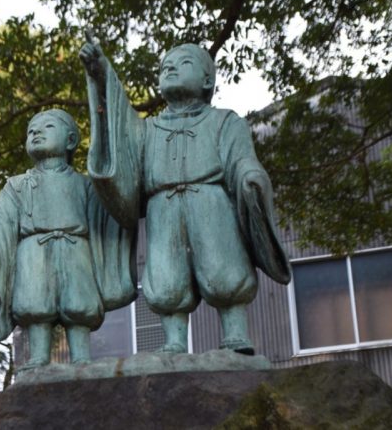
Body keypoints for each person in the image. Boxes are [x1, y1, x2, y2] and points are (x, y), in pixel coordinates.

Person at [80, 36, 290, 354]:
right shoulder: (146, 129)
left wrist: (250, 177)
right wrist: (101, 74)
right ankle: (174, 339)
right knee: (166, 275)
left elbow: (242, 160)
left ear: (208, 80)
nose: (172, 70)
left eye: (184, 64)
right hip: (162, 206)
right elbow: (118, 130)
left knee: (224, 267)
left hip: (212, 201)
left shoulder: (225, 121)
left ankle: (235, 333)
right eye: (166, 67)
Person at [0, 109, 136, 368]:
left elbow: (108, 215)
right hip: (33, 250)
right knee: (35, 305)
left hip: (76, 248)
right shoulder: (16, 185)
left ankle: (82, 358)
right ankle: (39, 357)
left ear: (71, 140)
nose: (36, 133)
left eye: (48, 127)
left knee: (78, 304)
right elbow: (2, 224)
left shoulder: (86, 184)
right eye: (31, 131)